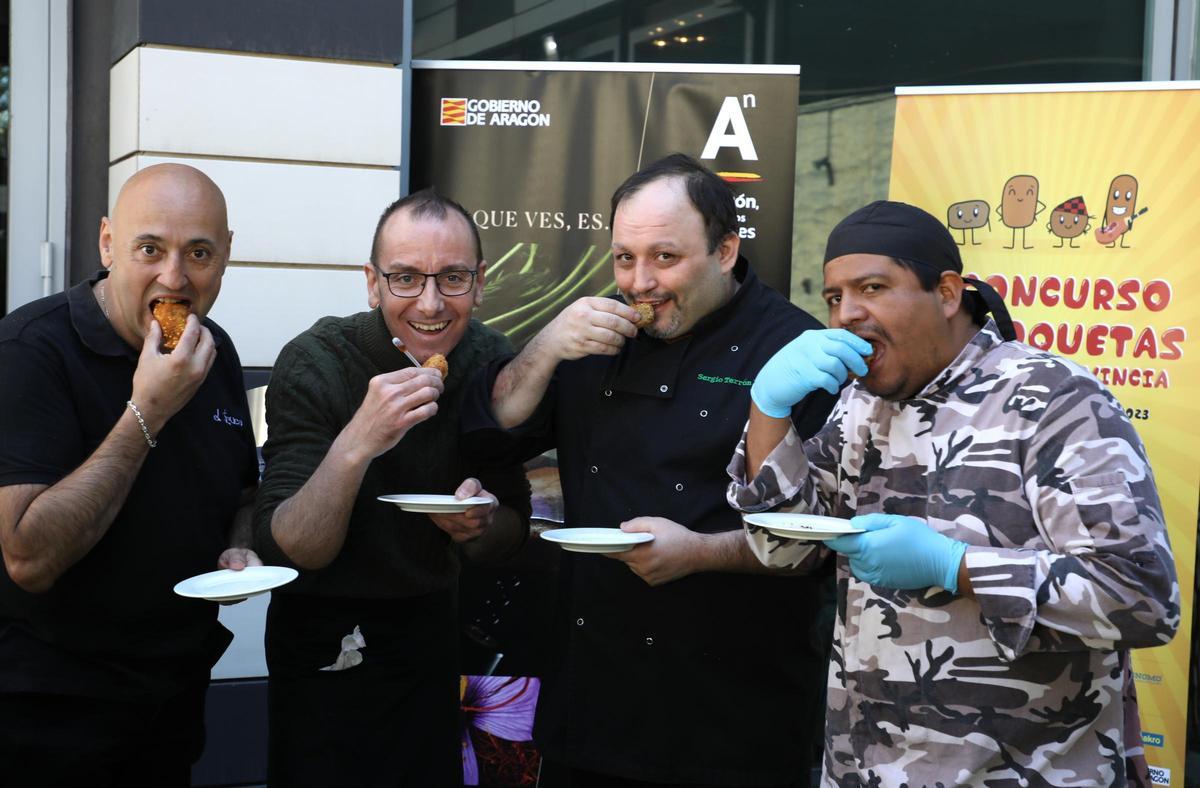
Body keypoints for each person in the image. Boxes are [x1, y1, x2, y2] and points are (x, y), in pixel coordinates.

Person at [727, 200, 1179, 786]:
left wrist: (956, 566)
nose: (847, 314)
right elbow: (782, 550)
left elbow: (1142, 596)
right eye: (835, 296)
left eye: (872, 287)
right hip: (863, 769)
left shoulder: (1054, 400)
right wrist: (768, 411)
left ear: (945, 293)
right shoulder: (857, 408)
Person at [461, 153, 836, 787]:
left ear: (724, 251)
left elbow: (826, 536)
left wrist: (699, 553)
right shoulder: (592, 335)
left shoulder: (793, 351)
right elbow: (489, 436)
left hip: (731, 717)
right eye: (623, 258)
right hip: (592, 704)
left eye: (665, 258)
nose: (639, 282)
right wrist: (548, 346)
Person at [252, 188, 531, 787]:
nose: (430, 303)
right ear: (372, 283)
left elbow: (511, 533)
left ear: (479, 283)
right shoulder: (316, 361)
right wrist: (358, 442)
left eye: (452, 278)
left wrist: (481, 523)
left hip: (432, 627)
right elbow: (291, 548)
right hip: (322, 632)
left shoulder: (491, 361)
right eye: (405, 278)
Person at [0, 163, 260, 786]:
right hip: (50, 712)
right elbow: (28, 557)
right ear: (108, 244)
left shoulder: (211, 349)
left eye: (199, 252)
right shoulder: (32, 350)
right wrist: (148, 411)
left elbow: (243, 489)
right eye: (150, 248)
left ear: (226, 257)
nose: (174, 277)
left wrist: (242, 541)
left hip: (173, 697)